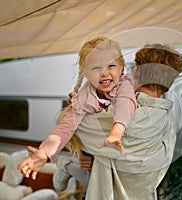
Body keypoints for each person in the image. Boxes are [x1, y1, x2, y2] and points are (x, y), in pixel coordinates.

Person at [20, 42, 182, 200]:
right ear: (170, 82)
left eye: (111, 66)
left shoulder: (121, 113)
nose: (104, 73)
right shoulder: (167, 120)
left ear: (136, 72)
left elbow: (68, 124)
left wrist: (48, 151)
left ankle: (67, 166)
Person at [18, 36, 137, 180]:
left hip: (117, 146)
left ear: (121, 67)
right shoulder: (85, 96)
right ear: (85, 72)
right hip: (97, 149)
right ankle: (66, 166)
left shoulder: (124, 86)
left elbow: (125, 105)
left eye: (111, 66)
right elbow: (65, 128)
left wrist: (115, 133)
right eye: (96, 68)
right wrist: (44, 152)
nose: (104, 73)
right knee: (88, 174)